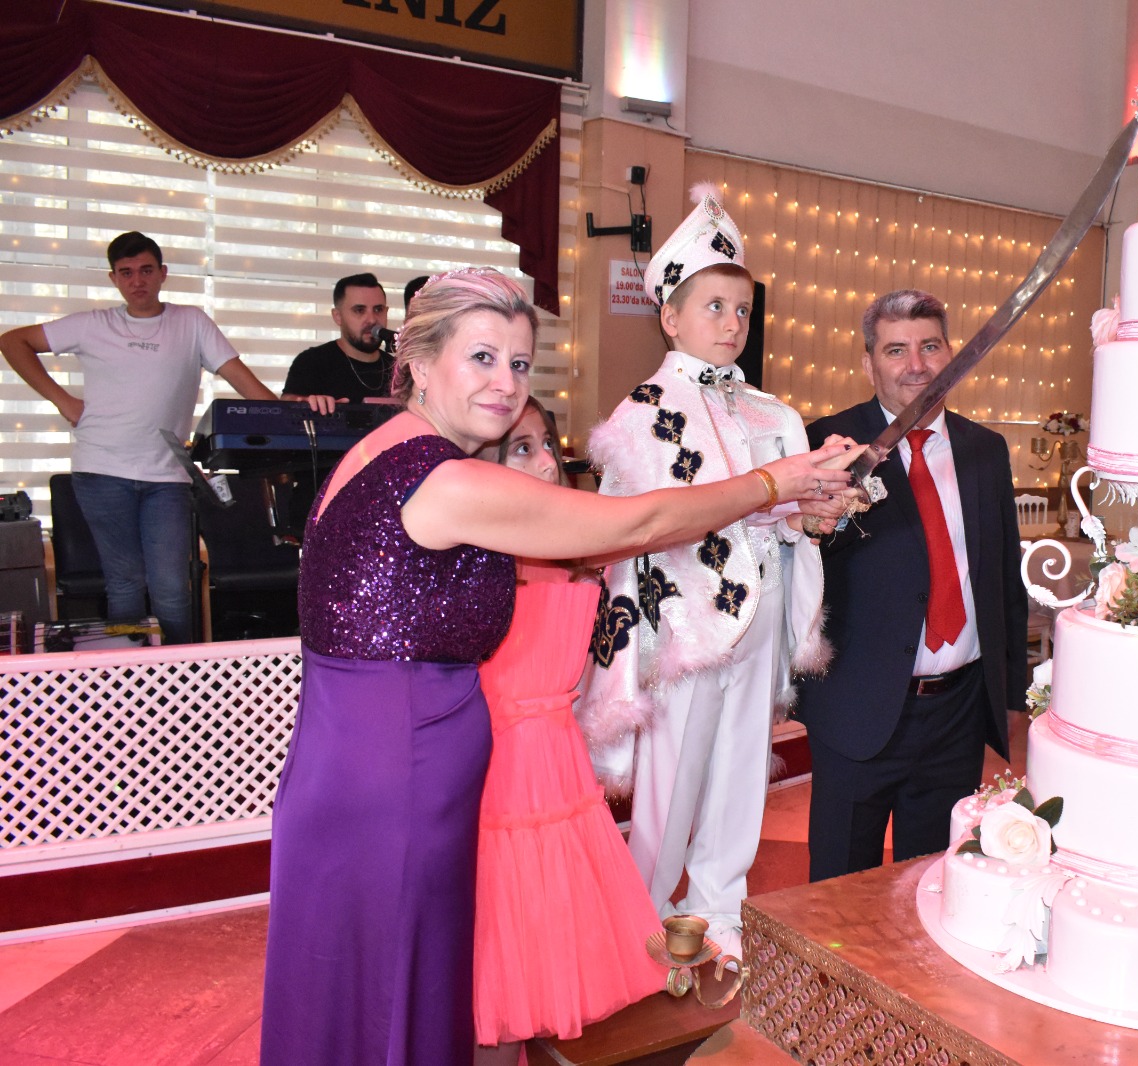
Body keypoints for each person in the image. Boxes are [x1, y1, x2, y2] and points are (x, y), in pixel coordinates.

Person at [258, 267, 854, 1066]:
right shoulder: (441, 478)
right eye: (481, 358)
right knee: (394, 985)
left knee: (376, 990)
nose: (506, 384)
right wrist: (770, 482)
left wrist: (779, 507)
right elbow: (633, 523)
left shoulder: (383, 450)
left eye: (517, 363)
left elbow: (590, 547)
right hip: (396, 773)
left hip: (358, 757)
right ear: (419, 362)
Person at [578, 184, 843, 964]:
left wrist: (812, 515)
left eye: (742, 310)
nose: (731, 324)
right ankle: (643, 911)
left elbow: (790, 516)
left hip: (761, 608)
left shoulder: (774, 413)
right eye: (714, 307)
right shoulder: (639, 413)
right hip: (682, 622)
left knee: (739, 771)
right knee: (673, 780)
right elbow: (624, 530)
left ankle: (720, 905)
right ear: (671, 316)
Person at [796, 289, 1029, 882]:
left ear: (952, 355)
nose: (917, 366)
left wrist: (1010, 696)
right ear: (869, 362)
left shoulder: (985, 450)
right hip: (857, 707)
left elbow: (1002, 579)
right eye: (896, 350)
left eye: (930, 347)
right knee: (838, 891)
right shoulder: (828, 445)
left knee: (931, 885)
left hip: (957, 715)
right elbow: (801, 562)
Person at [470, 398, 664, 1062]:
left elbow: (659, 523)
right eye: (522, 448)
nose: (548, 462)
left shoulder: (579, 542)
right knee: (496, 965)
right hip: (491, 768)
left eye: (548, 444)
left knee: (548, 944)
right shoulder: (467, 556)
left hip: (557, 761)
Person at [0, 231, 280, 644]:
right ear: (113, 278)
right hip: (101, 472)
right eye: (126, 272)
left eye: (146, 270)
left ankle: (177, 677)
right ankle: (130, 679)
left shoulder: (191, 322)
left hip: (166, 479)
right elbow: (13, 341)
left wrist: (289, 415)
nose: (137, 281)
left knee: (172, 589)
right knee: (125, 584)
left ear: (162, 273)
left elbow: (245, 383)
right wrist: (63, 401)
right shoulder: (92, 324)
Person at [282, 272, 394, 403]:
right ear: (338, 316)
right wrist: (307, 405)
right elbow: (286, 405)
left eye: (378, 310)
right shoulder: (311, 362)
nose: (372, 320)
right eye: (359, 310)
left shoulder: (400, 369)